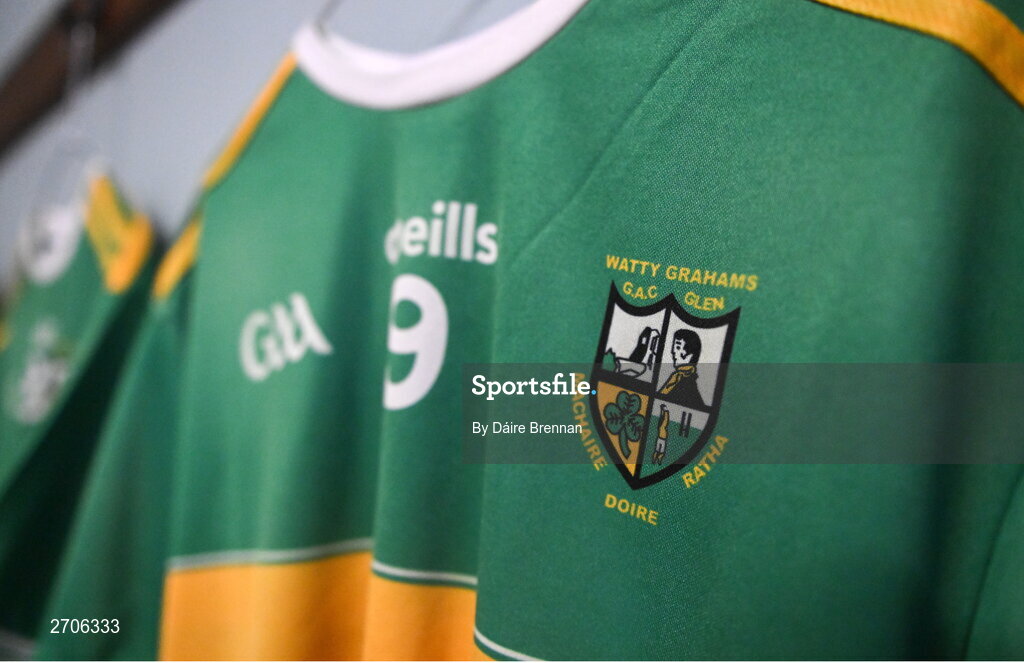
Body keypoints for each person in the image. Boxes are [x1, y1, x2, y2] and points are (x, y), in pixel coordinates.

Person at [659, 328, 706, 409]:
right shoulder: (676, 377)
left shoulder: (688, 386)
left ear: (689, 354)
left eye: (677, 347)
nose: (672, 351)